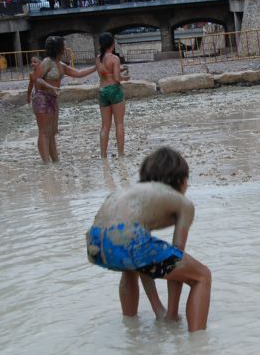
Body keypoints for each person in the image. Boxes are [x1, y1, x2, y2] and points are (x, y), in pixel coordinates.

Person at [86, 147, 211, 330]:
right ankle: (197, 347)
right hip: (128, 238)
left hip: (95, 242)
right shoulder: (183, 203)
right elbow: (176, 257)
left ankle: (131, 328)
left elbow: (139, 262)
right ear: (182, 180)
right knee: (202, 275)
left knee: (129, 268)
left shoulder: (134, 194)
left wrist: (158, 309)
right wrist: (172, 315)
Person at [32, 36, 96, 162]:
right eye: (63, 46)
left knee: (52, 133)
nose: (65, 49)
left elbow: (78, 73)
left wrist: (96, 67)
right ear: (58, 49)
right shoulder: (46, 62)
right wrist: (50, 86)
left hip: (53, 99)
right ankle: (46, 163)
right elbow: (37, 79)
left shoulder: (60, 64)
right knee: (44, 132)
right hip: (42, 99)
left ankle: (55, 161)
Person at [95, 33, 130, 159]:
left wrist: (118, 71)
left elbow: (105, 73)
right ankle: (121, 154)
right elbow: (116, 78)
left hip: (102, 91)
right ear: (112, 44)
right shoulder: (114, 58)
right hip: (114, 90)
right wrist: (124, 78)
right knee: (119, 123)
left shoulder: (98, 58)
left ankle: (103, 155)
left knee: (105, 126)